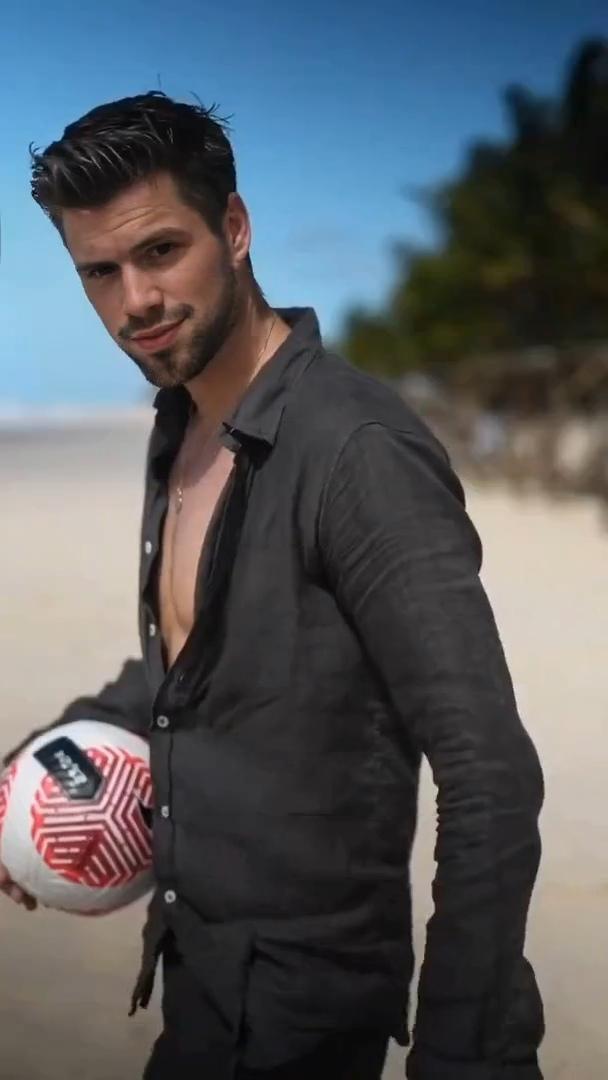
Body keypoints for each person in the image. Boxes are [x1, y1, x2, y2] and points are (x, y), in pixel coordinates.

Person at [0, 93, 545, 1080]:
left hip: (304, 1013)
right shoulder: (182, 426)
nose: (135, 302)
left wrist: (464, 1053)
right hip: (199, 982)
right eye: (100, 273)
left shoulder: (355, 452)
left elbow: (489, 775)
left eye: (161, 251)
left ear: (236, 228)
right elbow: (192, 671)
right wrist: (30, 770)